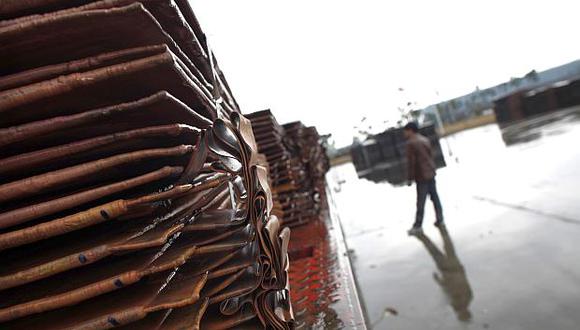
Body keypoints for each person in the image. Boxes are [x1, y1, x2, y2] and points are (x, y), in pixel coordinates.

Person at [403, 122, 443, 235]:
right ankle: (440, 219)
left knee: (420, 202)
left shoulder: (411, 143)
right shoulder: (425, 140)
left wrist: (410, 178)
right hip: (431, 173)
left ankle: (417, 226)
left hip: (421, 176)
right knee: (435, 198)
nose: (404, 133)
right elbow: (430, 156)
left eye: (405, 131)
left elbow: (412, 163)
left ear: (410, 130)